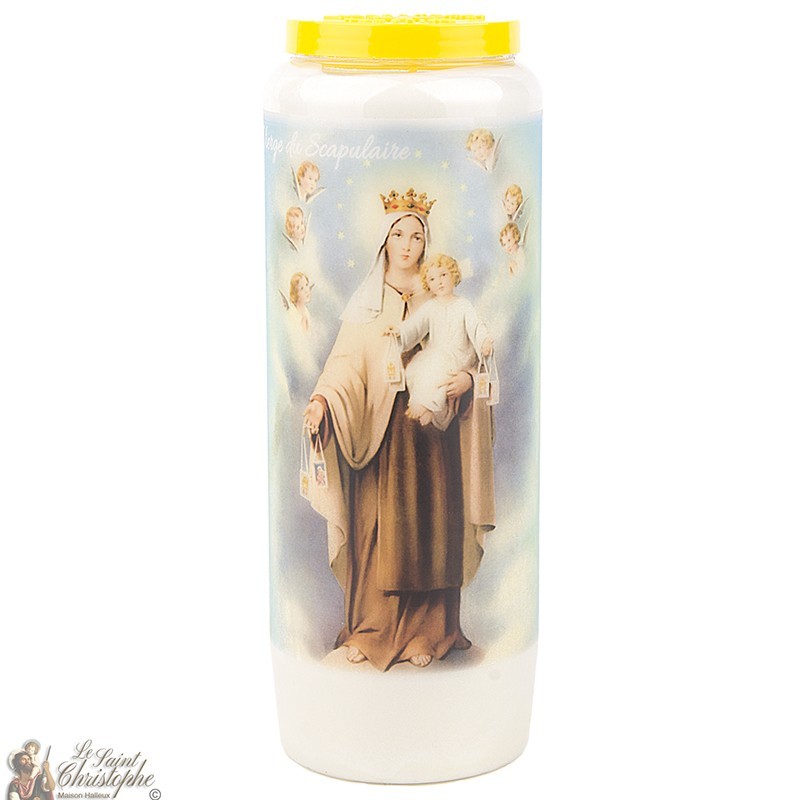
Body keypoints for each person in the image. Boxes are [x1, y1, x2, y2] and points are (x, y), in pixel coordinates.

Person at [302, 187, 496, 671]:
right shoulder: (367, 302)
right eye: (398, 235)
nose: (407, 245)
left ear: (427, 243)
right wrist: (322, 401)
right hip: (382, 435)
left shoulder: (442, 297)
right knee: (375, 529)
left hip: (432, 437)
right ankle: (371, 629)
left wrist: (468, 379)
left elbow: (473, 353)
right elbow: (346, 365)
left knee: (431, 529)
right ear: (384, 240)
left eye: (416, 236)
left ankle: (429, 631)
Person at [384, 253, 493, 430]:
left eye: (443, 275)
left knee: (439, 367)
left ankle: (428, 406)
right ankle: (429, 408)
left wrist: (484, 342)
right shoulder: (430, 307)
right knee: (417, 368)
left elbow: (476, 326)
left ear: (453, 275)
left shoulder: (463, 305)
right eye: (432, 279)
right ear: (428, 283)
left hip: (458, 354)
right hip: (436, 353)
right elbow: (414, 326)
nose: (439, 282)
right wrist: (399, 331)